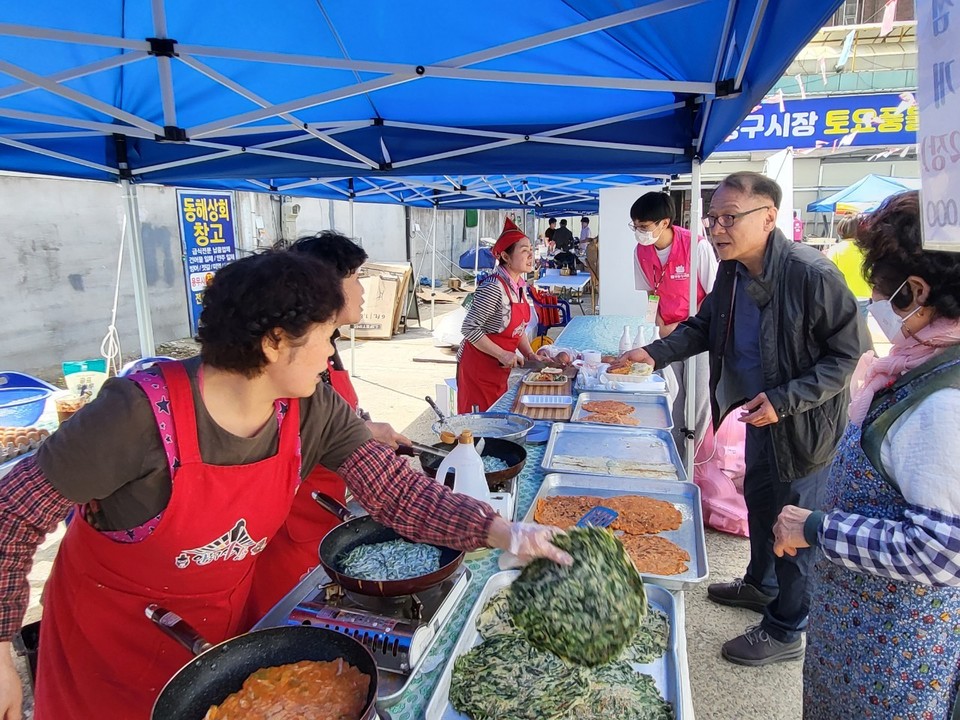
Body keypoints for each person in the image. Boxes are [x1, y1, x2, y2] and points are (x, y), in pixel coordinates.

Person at [0, 251, 570, 720]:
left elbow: (396, 491)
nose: (330, 354)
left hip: (220, 626)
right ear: (275, 341)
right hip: (107, 643)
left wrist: (501, 531)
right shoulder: (136, 415)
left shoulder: (308, 408)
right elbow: (13, 514)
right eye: (324, 337)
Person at [615, 171, 868, 665]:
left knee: (793, 523)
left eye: (730, 217)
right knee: (759, 501)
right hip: (759, 416)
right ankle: (760, 583)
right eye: (712, 219)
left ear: (769, 217)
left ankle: (787, 628)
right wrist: (653, 353)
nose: (717, 229)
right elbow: (703, 327)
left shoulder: (811, 274)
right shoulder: (732, 272)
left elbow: (847, 356)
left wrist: (786, 399)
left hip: (804, 426)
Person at [773, 191, 960, 718]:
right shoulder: (921, 367)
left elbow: (942, 551)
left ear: (915, 292)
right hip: (860, 622)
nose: (872, 300)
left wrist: (815, 529)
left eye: (876, 287)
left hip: (893, 648)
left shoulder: (944, 404)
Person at [245, 232, 411, 622]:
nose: (363, 289)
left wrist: (364, 427)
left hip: (324, 516)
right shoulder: (289, 365)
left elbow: (337, 419)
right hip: (289, 533)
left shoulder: (321, 351)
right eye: (356, 277)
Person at [630, 190, 718, 448]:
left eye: (644, 226)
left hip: (699, 335)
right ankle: (677, 446)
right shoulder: (641, 252)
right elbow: (650, 291)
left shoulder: (696, 246)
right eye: (635, 226)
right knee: (677, 393)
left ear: (665, 222)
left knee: (699, 396)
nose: (639, 232)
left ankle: (695, 455)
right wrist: (657, 323)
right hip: (666, 333)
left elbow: (713, 296)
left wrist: (679, 327)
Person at [457, 218, 538, 413]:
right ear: (505, 256)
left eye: (531, 250)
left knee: (497, 419)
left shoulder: (519, 286)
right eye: (524, 250)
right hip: (478, 370)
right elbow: (469, 328)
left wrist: (529, 354)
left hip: (498, 370)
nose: (531, 256)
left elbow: (517, 330)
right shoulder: (493, 286)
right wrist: (502, 354)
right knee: (480, 428)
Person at [826, 214, 871, 316]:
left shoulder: (835, 250)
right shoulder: (867, 250)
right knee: (862, 325)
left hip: (842, 294)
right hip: (863, 293)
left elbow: (829, 273)